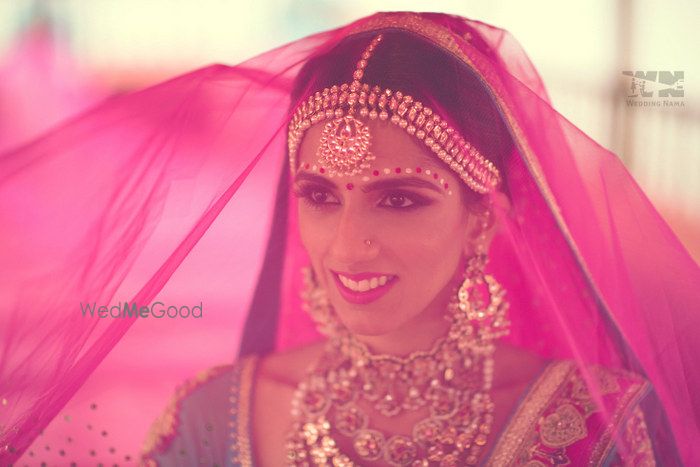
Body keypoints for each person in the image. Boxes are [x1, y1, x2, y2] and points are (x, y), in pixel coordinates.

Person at [1, 12, 697, 466]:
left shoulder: (596, 428)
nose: (346, 247)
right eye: (321, 196)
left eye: (400, 198)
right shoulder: (212, 415)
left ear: (484, 214)